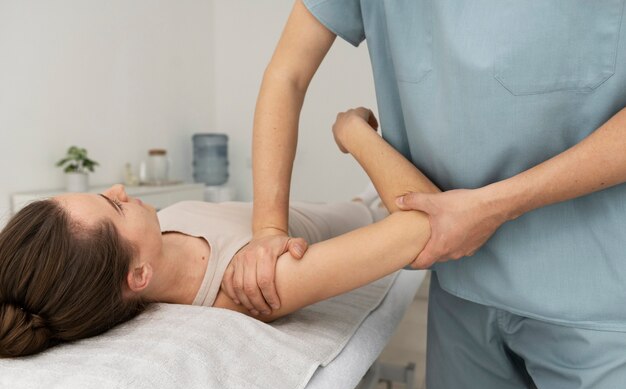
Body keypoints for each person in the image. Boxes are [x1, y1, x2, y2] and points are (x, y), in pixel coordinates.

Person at [224, 1, 626, 389]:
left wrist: (355, 134)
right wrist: (269, 229)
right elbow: (286, 75)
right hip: (461, 283)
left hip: (598, 293)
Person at [0, 108, 438, 358]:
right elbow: (426, 219)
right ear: (138, 276)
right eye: (114, 206)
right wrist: (352, 132)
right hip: (373, 211)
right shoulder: (253, 286)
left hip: (340, 204)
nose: (118, 189)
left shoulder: (160, 234)